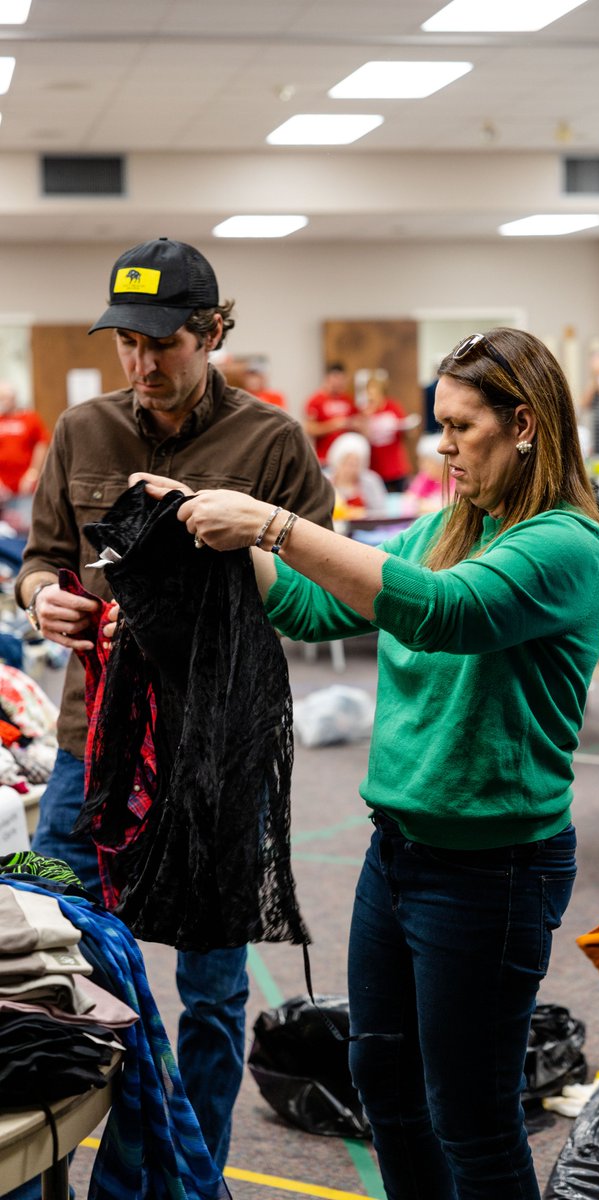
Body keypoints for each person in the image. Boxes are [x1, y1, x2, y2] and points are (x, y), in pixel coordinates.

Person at [135, 326, 599, 1199]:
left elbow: (443, 611)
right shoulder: (445, 525)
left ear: (525, 427)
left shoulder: (565, 546)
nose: (441, 445)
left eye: (462, 427)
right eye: (440, 424)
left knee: (471, 1118)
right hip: (397, 854)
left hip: (492, 873)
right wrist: (199, 522)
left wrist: (275, 523)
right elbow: (319, 606)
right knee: (388, 1092)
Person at [13, 236, 334, 1181]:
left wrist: (200, 587)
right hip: (88, 749)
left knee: (211, 990)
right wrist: (42, 600)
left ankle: (189, 1177)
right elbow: (39, 561)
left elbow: (318, 594)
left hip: (217, 754)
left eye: (166, 345)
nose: (145, 365)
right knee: (54, 971)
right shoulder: (82, 431)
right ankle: (52, 1176)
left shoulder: (271, 442)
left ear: (213, 332)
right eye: (128, 345)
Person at [362, 374, 415, 491]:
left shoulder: (393, 407)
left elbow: (407, 432)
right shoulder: (365, 411)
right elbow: (363, 436)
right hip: (376, 466)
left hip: (396, 465)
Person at [0, 381, 49, 502]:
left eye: (4, 398)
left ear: (14, 398)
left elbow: (42, 444)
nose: (2, 402)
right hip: (2, 487)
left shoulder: (30, 418)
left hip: (25, 485)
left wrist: (33, 474)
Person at [303, 361, 360, 464]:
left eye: (341, 379)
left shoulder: (349, 400)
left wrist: (352, 424)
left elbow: (359, 423)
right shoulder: (315, 401)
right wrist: (333, 425)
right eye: (335, 378)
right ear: (327, 378)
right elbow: (309, 429)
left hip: (346, 460)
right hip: (325, 459)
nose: (338, 382)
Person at [325, 430, 388, 513]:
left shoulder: (371, 481)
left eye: (355, 464)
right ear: (337, 461)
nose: (350, 468)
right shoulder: (325, 482)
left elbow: (380, 511)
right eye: (346, 463)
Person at [406, 431, 453, 510]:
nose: (420, 465)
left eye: (425, 461)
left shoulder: (456, 478)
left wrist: (422, 504)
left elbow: (449, 507)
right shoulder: (425, 476)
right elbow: (409, 501)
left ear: (440, 462)